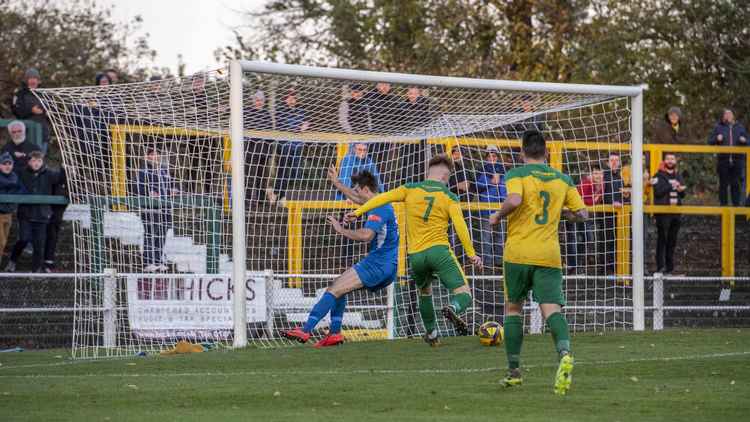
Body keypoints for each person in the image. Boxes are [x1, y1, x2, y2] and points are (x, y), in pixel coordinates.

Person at [487, 129, 587, 395]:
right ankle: (564, 352)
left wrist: (497, 216)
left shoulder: (517, 174)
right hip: (549, 255)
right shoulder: (563, 178)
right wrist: (562, 214)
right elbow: (583, 214)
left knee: (513, 309)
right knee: (551, 310)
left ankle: (514, 372)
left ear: (522, 151)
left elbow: (515, 199)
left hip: (518, 252)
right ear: (546, 152)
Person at [345, 155, 483, 345]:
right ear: (445, 176)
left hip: (416, 256)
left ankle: (432, 334)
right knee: (464, 294)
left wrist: (357, 212)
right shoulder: (449, 197)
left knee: (425, 292)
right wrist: (471, 253)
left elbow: (382, 198)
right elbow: (460, 226)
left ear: (429, 172)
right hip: (439, 252)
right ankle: (453, 307)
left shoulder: (410, 189)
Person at [283, 171, 398, 348]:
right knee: (340, 287)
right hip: (385, 264)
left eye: (357, 190)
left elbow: (367, 235)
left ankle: (306, 329)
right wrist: (337, 183)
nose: (355, 195)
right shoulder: (378, 202)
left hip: (378, 263)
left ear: (366, 189)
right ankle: (334, 333)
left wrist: (340, 229)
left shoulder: (380, 207)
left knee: (334, 289)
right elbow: (358, 199)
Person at [6, 151, 65, 273]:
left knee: (39, 245)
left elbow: (60, 179)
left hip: (42, 215)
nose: (36, 163)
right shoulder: (22, 173)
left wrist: (65, 169)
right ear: (29, 162)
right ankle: (12, 260)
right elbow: (10, 173)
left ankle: (36, 271)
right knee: (23, 239)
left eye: (39, 160)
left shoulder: (49, 174)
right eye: (33, 160)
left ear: (42, 161)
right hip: (25, 214)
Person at [137, 147, 174, 272]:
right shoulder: (143, 172)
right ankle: (148, 262)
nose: (155, 157)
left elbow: (171, 185)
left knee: (161, 235)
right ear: (147, 157)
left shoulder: (165, 171)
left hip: (165, 208)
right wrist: (149, 193)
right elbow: (137, 188)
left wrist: (173, 190)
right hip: (150, 209)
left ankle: (158, 261)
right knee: (150, 234)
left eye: (157, 155)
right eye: (152, 155)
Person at [270, 89, 309, 205]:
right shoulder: (281, 110)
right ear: (285, 99)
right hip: (285, 146)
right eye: (289, 97)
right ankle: (279, 196)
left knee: (293, 173)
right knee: (283, 171)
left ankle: (277, 193)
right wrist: (298, 128)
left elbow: (307, 123)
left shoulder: (301, 111)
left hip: (297, 146)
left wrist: (306, 125)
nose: (292, 99)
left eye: (294, 97)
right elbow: (282, 126)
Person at [651, 153, 686, 275]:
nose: (670, 161)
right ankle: (661, 267)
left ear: (675, 161)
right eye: (668, 159)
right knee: (662, 240)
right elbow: (658, 192)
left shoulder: (678, 175)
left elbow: (683, 194)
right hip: (663, 213)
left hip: (676, 213)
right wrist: (671, 186)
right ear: (664, 161)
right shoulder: (657, 175)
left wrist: (681, 189)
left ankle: (670, 268)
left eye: (672, 159)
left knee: (672, 241)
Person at [566, 166, 603, 272]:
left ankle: (578, 264)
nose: (598, 176)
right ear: (591, 175)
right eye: (595, 174)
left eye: (600, 174)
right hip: (572, 211)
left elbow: (596, 201)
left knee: (588, 238)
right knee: (573, 238)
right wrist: (593, 201)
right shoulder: (586, 184)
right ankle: (572, 267)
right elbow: (579, 200)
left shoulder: (602, 185)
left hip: (583, 214)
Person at [708, 109, 748, 206]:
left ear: (733, 116)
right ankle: (723, 206)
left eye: (730, 114)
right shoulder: (718, 127)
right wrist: (717, 139)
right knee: (723, 185)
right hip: (723, 160)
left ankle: (736, 207)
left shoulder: (740, 127)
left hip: (738, 160)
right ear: (723, 117)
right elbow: (710, 141)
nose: (728, 115)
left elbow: (748, 141)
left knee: (736, 184)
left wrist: (744, 140)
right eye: (726, 114)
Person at [476, 145, 507, 269]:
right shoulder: (481, 170)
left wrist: (505, 199)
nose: (492, 158)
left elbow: (506, 188)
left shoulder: (503, 171)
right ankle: (487, 263)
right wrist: (490, 182)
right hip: (486, 206)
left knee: (500, 235)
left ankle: (499, 261)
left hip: (501, 206)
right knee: (486, 236)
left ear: (498, 157)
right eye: (489, 156)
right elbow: (476, 186)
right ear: (486, 157)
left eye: (494, 156)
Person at [244, 90, 274, 203]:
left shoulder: (267, 115)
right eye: (257, 100)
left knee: (262, 178)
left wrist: (269, 152)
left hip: (264, 152)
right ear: (253, 101)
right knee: (249, 178)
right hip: (251, 151)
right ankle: (247, 201)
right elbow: (247, 131)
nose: (259, 102)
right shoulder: (247, 112)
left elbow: (270, 134)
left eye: (261, 100)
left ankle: (262, 201)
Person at [11, 68, 50, 152]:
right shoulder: (20, 94)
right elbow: (15, 110)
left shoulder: (44, 95)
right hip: (27, 136)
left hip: (43, 135)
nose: (33, 81)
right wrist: (30, 110)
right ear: (26, 80)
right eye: (30, 78)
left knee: (40, 161)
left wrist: (48, 113)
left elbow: (53, 111)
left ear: (39, 81)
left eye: (35, 78)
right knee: (27, 161)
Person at [601, 152, 623, 275]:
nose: (614, 162)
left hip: (620, 215)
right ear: (607, 163)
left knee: (617, 241)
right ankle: (606, 269)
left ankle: (615, 268)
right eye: (612, 160)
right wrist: (612, 202)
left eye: (616, 160)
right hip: (606, 214)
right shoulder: (604, 176)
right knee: (606, 241)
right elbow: (602, 194)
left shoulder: (621, 177)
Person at [0, 153, 23, 261]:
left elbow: (21, 191)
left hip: (8, 214)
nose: (7, 166)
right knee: (1, 242)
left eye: (10, 163)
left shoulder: (15, 177)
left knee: (3, 243)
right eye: (4, 163)